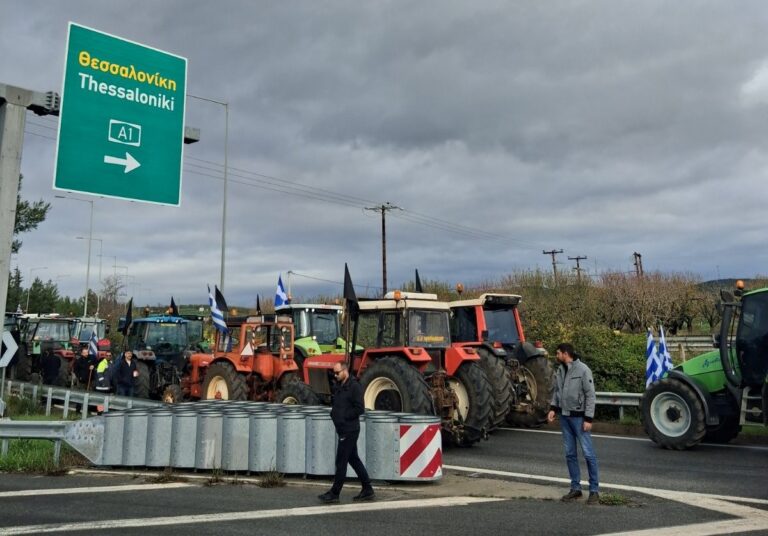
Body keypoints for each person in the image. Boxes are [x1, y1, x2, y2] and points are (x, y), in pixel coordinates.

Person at [547, 342, 600, 505]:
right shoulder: (560, 370)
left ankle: (594, 491)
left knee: (588, 454)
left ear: (565, 353)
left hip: (579, 419)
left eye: (558, 353)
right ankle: (575, 488)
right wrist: (553, 409)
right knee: (570, 454)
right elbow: (557, 391)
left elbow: (590, 395)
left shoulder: (583, 370)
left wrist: (588, 418)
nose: (556, 356)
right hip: (565, 417)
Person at [318, 362, 375, 504]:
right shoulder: (340, 386)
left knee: (341, 461)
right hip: (343, 428)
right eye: (334, 373)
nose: (335, 375)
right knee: (353, 459)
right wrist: (334, 414)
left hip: (349, 429)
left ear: (345, 370)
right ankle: (367, 489)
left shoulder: (354, 387)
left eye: (337, 373)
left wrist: (344, 417)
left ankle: (335, 493)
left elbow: (360, 409)